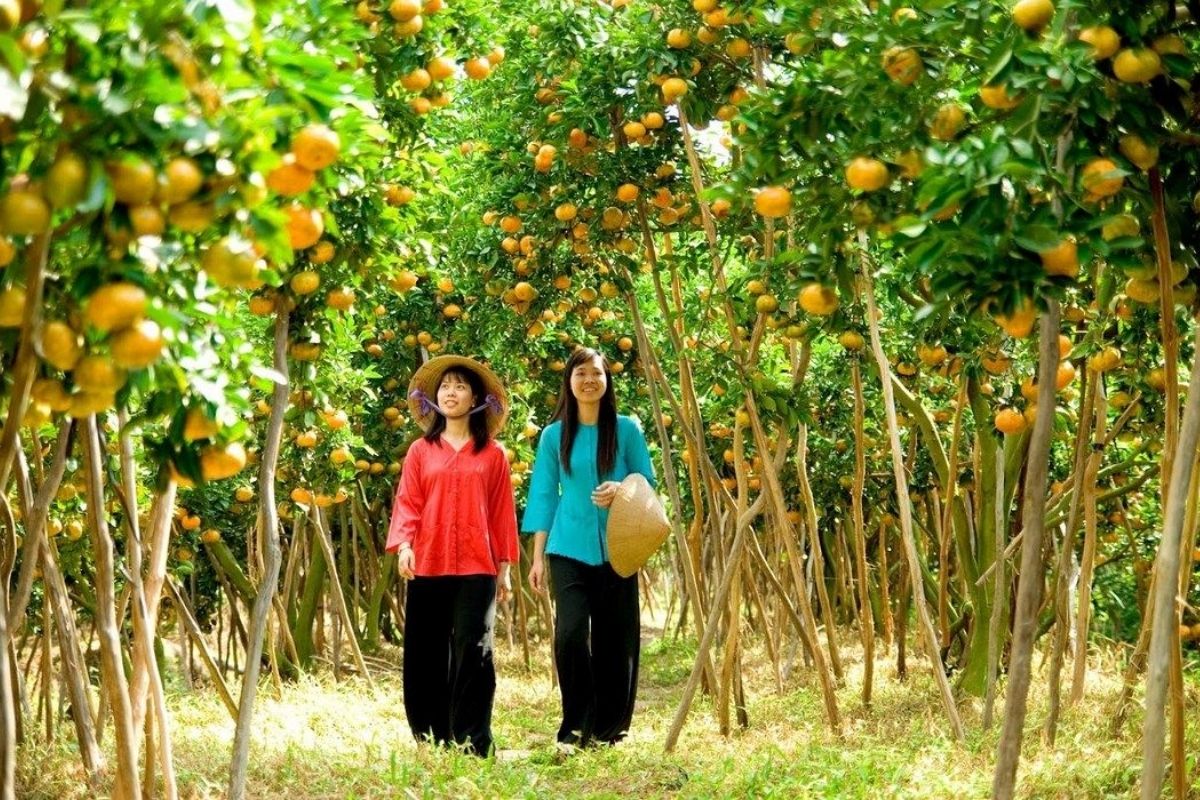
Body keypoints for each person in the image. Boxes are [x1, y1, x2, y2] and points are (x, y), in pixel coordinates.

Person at [522, 346, 656, 750]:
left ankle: (609, 729)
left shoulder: (627, 428)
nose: (589, 381)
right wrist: (538, 555)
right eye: (580, 374)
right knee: (571, 633)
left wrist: (623, 488)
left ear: (607, 380)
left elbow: (647, 479)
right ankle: (575, 725)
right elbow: (544, 494)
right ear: (569, 381)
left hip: (620, 545)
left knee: (617, 639)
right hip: (568, 546)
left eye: (596, 373)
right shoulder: (553, 435)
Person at [385, 355, 518, 757]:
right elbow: (408, 502)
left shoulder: (492, 454)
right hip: (429, 561)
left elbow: (501, 512)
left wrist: (506, 569)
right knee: (426, 650)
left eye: (460, 386)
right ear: (434, 398)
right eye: (445, 386)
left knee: (475, 651)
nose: (451, 392)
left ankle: (474, 740)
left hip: (478, 566)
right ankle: (432, 735)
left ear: (476, 398)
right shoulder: (420, 452)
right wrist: (405, 545)